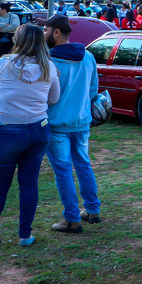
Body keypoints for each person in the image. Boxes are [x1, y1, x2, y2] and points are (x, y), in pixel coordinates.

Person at [0, 25, 61, 247]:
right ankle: (25, 235)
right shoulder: (48, 67)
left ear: (18, 40)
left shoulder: (4, 64)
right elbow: (54, 98)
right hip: (38, 129)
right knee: (29, 184)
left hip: (7, 129)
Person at [42, 15, 101, 234]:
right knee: (84, 165)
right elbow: (93, 90)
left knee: (64, 172)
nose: (43, 34)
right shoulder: (88, 56)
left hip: (57, 125)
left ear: (56, 32)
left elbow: (44, 95)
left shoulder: (48, 60)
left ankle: (72, 219)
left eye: (46, 30)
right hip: (82, 123)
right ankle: (93, 211)